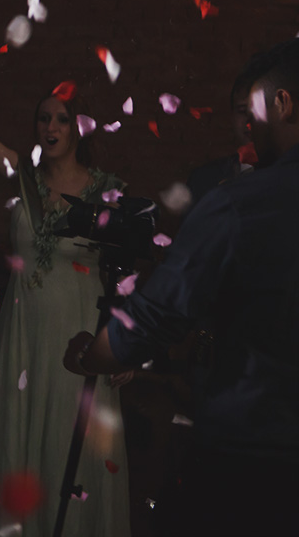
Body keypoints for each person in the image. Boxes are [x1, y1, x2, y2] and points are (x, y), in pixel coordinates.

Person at [64, 38, 299, 537]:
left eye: (255, 109)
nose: (249, 124)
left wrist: (92, 356)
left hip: (251, 449)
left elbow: (155, 317)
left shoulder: (238, 204)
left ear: (283, 104)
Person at [0, 59, 130, 537]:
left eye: (62, 118)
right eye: (44, 118)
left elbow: (123, 277)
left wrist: (123, 342)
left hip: (76, 337)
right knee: (22, 435)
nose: (51, 127)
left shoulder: (106, 191)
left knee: (66, 439)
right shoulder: (26, 179)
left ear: (79, 126)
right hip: (22, 334)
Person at [183, 63, 257, 213]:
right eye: (242, 111)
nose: (249, 121)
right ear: (232, 116)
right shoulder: (203, 180)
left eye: (258, 110)